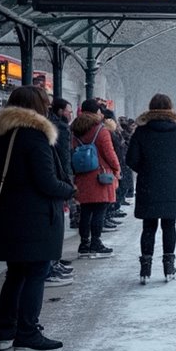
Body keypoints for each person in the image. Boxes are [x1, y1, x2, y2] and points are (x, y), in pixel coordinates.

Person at [0, 85, 76, 351]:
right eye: (44, 103)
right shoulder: (34, 136)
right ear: (37, 106)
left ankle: (7, 330)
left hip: (9, 215)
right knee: (36, 273)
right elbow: (46, 181)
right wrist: (70, 190)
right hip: (35, 218)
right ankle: (28, 332)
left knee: (15, 273)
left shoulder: (1, 136)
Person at [126, 94, 176, 283]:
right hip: (172, 184)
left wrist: (146, 169)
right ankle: (169, 265)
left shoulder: (141, 132)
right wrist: (173, 169)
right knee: (169, 225)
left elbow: (131, 159)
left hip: (148, 183)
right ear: (171, 108)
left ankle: (145, 267)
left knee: (148, 226)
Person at [71, 99, 121, 259]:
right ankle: (96, 243)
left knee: (85, 211)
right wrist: (117, 169)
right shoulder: (100, 130)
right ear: (96, 113)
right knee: (100, 210)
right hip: (100, 176)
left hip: (82, 175)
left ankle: (84, 244)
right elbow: (109, 153)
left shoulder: (75, 129)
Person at [45, 97, 75, 287]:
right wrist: (67, 184)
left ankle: (51, 263)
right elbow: (63, 158)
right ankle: (50, 265)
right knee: (55, 225)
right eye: (68, 111)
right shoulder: (60, 129)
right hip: (55, 183)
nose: (70, 114)